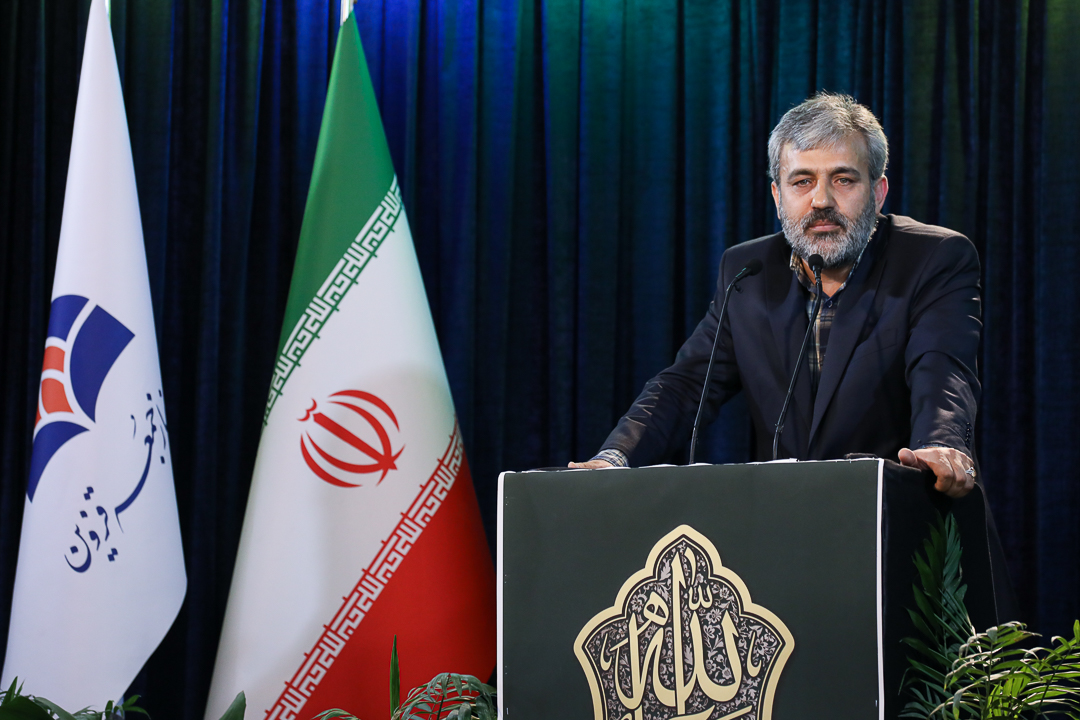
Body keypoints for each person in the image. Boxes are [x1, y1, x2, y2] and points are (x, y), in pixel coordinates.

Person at [570, 93, 980, 499]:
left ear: (877, 191)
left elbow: (942, 370)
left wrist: (940, 444)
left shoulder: (933, 257)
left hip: (900, 512)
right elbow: (686, 385)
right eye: (802, 181)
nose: (821, 200)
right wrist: (615, 458)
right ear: (777, 196)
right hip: (787, 519)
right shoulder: (748, 271)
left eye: (843, 179)